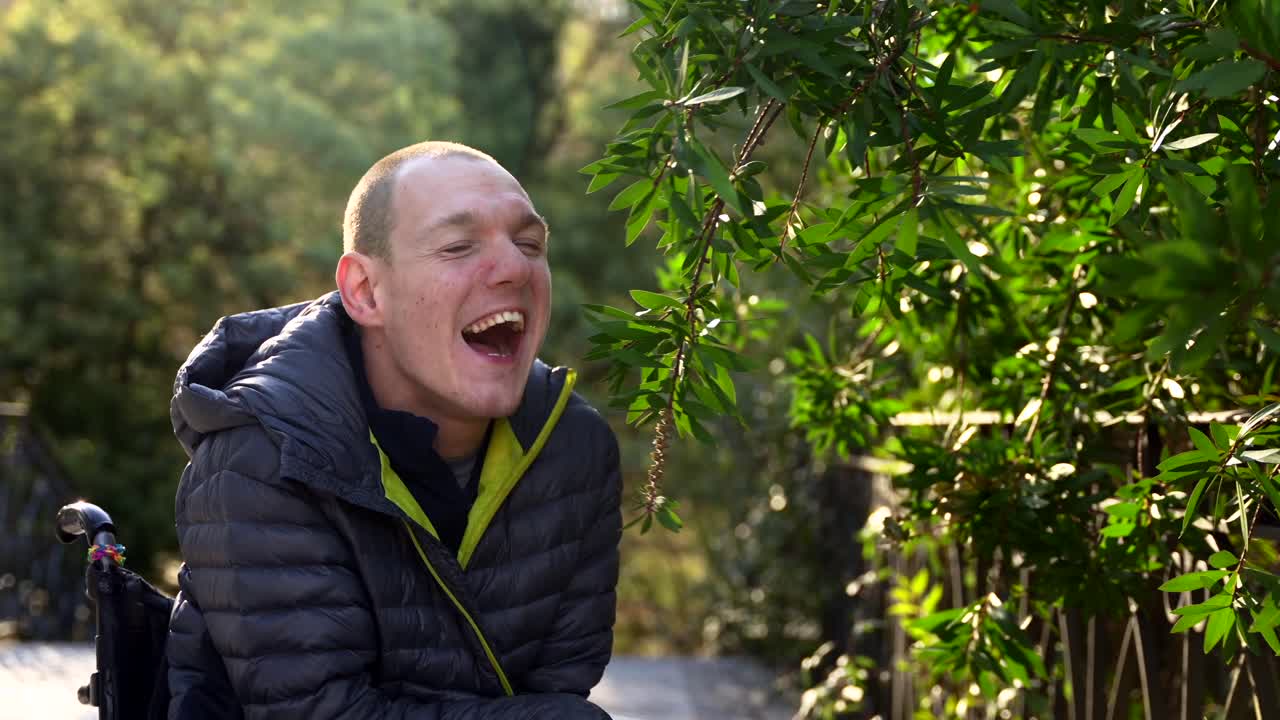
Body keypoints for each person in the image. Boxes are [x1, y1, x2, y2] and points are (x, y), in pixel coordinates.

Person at [163, 141, 622, 719]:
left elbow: (561, 684)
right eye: (458, 246)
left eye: (529, 245)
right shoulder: (260, 457)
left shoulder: (575, 446)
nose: (515, 269)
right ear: (365, 291)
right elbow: (317, 713)